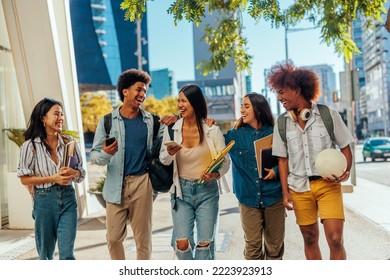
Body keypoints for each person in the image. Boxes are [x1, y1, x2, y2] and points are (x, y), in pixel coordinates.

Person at [268, 62, 354, 260]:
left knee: (335, 239)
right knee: (309, 239)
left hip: (328, 186)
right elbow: (282, 160)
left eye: (282, 92)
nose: (279, 98)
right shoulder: (281, 123)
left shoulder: (328, 115)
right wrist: (285, 193)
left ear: (298, 89)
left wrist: (345, 171)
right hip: (299, 188)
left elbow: (345, 147)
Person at [90, 68, 164, 260]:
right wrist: (106, 154)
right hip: (116, 185)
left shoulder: (152, 121)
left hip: (142, 183)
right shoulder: (107, 121)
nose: (143, 94)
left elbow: (169, 142)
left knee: (143, 240)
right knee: (113, 238)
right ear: (125, 91)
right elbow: (94, 156)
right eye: (139, 89)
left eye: (145, 91)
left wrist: (173, 121)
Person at [159, 84, 230, 260]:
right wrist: (169, 153)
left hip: (207, 191)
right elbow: (163, 159)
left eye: (184, 101)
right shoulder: (172, 129)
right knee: (181, 242)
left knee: (204, 242)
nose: (180, 104)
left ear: (195, 103)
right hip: (181, 192)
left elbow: (225, 161)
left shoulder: (212, 130)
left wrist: (215, 175)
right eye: (179, 100)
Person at [17, 98, 86, 260]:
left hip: (69, 199)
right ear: (43, 118)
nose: (60, 118)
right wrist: (53, 178)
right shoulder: (30, 146)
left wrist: (73, 173)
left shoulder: (69, 143)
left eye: (62, 114)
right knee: (45, 255)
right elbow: (24, 179)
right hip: (44, 201)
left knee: (67, 254)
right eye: (56, 114)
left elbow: (81, 174)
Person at [224, 93, 285, 260]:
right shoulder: (234, 135)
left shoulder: (276, 133)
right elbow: (211, 143)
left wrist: (276, 171)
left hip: (274, 197)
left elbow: (288, 159)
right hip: (248, 199)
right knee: (252, 247)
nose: (242, 110)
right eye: (242, 106)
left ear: (258, 109)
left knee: (274, 247)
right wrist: (208, 126)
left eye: (246, 106)